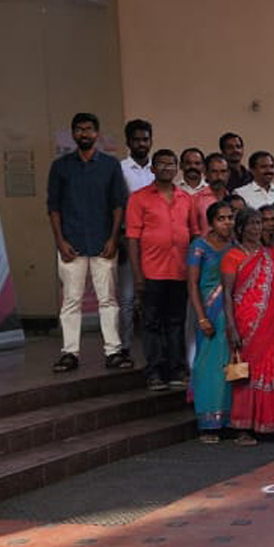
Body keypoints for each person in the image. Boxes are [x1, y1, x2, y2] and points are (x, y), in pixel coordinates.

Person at [47, 113, 127, 373]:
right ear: (73, 134)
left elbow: (118, 205)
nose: (84, 134)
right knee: (71, 301)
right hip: (72, 244)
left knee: (108, 301)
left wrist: (114, 239)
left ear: (97, 133)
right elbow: (53, 208)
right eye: (79, 129)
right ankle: (70, 353)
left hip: (104, 243)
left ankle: (113, 351)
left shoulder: (110, 165)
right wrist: (60, 241)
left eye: (89, 129)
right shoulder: (60, 167)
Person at [127, 149, 195, 390]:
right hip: (151, 271)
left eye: (171, 164)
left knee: (176, 321)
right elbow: (133, 239)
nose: (167, 168)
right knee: (152, 323)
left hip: (180, 271)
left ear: (177, 168)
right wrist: (137, 277)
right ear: (152, 169)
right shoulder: (138, 198)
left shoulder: (186, 199)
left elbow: (194, 234)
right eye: (161, 164)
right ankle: (155, 370)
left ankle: (176, 369)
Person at [222, 209, 274, 444]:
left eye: (259, 223)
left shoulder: (271, 255)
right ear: (241, 228)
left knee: (268, 370)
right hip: (244, 322)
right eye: (252, 223)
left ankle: (265, 425)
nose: (257, 228)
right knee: (244, 374)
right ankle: (242, 429)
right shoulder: (233, 256)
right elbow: (227, 294)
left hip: (269, 322)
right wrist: (231, 327)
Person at [187, 201, 235, 441]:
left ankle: (226, 419)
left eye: (230, 218)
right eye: (221, 218)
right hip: (209, 314)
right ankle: (207, 423)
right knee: (207, 367)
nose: (227, 223)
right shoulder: (200, 246)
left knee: (228, 366)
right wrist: (202, 317)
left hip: (231, 315)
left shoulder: (235, 246)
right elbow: (193, 284)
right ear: (211, 222)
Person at [118, 118, 155, 366]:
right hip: (128, 240)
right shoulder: (119, 169)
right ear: (128, 142)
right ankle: (124, 348)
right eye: (137, 139)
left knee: (154, 297)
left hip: (155, 245)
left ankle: (154, 347)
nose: (142, 144)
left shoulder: (159, 168)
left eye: (146, 139)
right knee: (128, 297)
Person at [190, 153, 231, 237]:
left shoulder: (233, 199)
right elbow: (194, 234)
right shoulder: (196, 200)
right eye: (214, 172)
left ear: (228, 174)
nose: (219, 176)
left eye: (223, 172)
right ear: (206, 173)